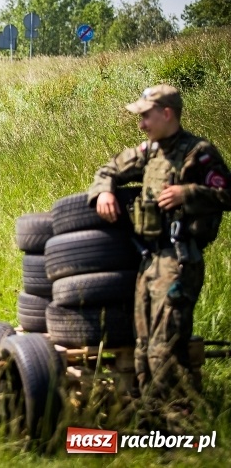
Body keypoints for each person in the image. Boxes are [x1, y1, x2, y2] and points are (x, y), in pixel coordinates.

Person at [88, 84, 231, 419]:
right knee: (142, 348)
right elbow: (109, 169)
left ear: (167, 113)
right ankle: (150, 419)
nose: (141, 124)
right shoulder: (149, 151)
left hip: (179, 260)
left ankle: (179, 427)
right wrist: (104, 193)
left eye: (146, 116)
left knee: (165, 350)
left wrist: (189, 193)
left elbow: (227, 193)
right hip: (149, 260)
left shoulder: (200, 153)